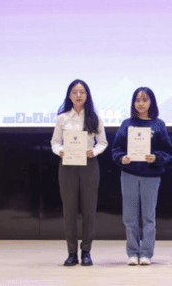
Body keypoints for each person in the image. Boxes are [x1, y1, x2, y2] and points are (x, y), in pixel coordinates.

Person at [112, 87, 172, 266]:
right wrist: (122, 158)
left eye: (144, 100)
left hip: (151, 176)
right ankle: (132, 252)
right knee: (129, 217)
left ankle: (146, 253)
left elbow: (168, 152)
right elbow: (116, 149)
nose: (141, 103)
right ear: (133, 103)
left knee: (148, 217)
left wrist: (156, 158)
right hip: (129, 175)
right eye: (137, 100)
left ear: (151, 102)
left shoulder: (158, 124)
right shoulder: (126, 124)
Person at [51, 79, 107, 267]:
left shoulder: (94, 117)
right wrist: (60, 150)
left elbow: (103, 142)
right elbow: (55, 142)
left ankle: (86, 252)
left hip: (89, 165)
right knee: (69, 211)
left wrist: (94, 151)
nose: (78, 95)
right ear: (69, 95)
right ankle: (71, 253)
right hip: (67, 166)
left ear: (87, 95)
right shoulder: (62, 118)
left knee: (89, 210)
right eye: (74, 92)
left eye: (82, 92)